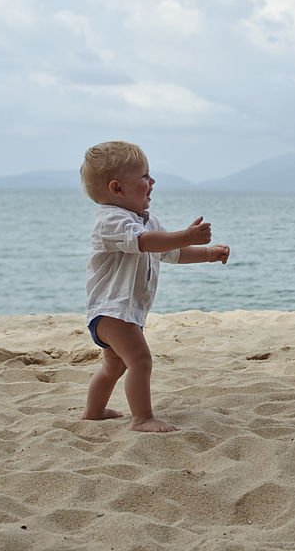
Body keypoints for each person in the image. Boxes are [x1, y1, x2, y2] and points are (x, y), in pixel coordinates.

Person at [80, 141, 230, 432]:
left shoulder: (144, 221)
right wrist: (186, 235)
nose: (153, 182)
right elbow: (145, 243)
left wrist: (208, 253)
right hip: (113, 311)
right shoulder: (111, 220)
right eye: (144, 177)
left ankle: (94, 412)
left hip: (122, 313)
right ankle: (142, 418)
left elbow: (169, 252)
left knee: (115, 366)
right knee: (140, 360)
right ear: (117, 188)